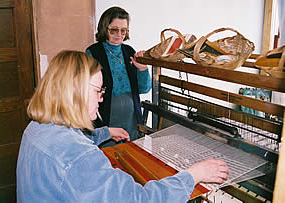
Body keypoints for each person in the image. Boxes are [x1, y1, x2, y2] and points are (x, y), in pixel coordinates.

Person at [16, 50, 229, 202]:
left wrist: (105, 132)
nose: (100, 99)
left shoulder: (36, 128)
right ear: (74, 91)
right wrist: (192, 176)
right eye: (97, 91)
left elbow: (70, 150)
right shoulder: (78, 156)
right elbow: (140, 200)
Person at [86, 6, 152, 148]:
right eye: (114, 30)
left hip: (130, 117)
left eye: (124, 30)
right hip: (106, 116)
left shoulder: (129, 51)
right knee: (108, 155)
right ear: (105, 28)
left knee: (130, 154)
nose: (119, 35)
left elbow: (144, 88)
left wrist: (143, 69)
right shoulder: (93, 52)